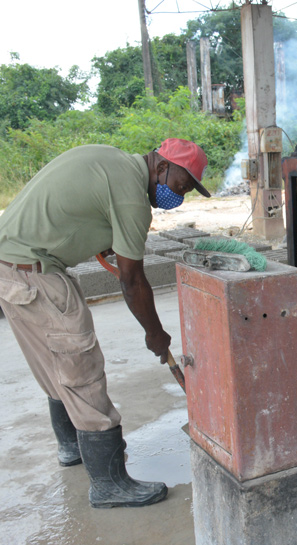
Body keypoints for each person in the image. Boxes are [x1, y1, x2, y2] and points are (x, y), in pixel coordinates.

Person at [0, 138, 210, 508]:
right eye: (182, 184)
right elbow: (132, 281)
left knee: (56, 364)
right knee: (80, 367)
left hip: (12, 264)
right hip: (34, 274)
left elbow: (78, 210)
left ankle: (71, 447)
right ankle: (110, 484)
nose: (180, 195)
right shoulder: (131, 198)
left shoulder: (114, 160)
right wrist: (155, 333)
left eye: (189, 191)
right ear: (162, 167)